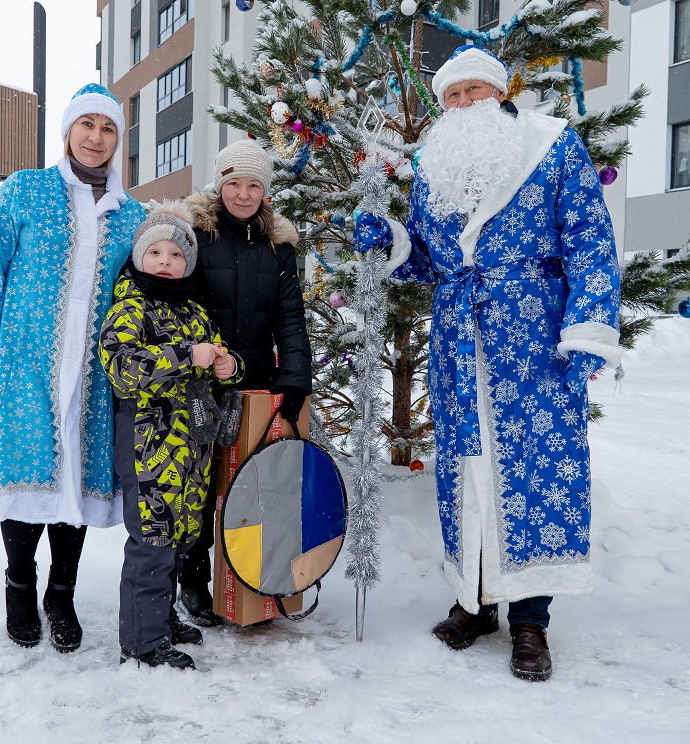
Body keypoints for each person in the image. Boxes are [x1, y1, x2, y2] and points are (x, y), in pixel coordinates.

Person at [354, 46, 624, 681]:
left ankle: (530, 620)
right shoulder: (433, 167)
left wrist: (586, 327)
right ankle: (475, 604)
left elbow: (590, 238)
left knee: (534, 473)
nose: (461, 104)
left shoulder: (552, 146)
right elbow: (427, 258)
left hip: (533, 343)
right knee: (465, 470)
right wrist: (389, 241)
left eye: (473, 92)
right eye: (450, 96)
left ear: (500, 95)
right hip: (458, 342)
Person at [0, 83, 145, 653]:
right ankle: (19, 586)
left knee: (76, 486)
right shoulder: (25, 191)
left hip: (93, 374)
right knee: (28, 476)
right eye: (87, 125)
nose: (97, 138)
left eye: (108, 129)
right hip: (24, 363)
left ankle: (61, 593)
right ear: (67, 132)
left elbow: (143, 289)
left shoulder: (130, 214)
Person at [99, 203, 243, 669]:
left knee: (182, 536)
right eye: (155, 252)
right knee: (153, 541)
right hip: (149, 448)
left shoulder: (195, 310)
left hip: (192, 451)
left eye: (176, 255)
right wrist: (186, 355)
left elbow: (219, 362)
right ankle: (142, 642)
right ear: (140, 258)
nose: (166, 261)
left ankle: (160, 617)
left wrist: (228, 365)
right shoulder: (129, 307)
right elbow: (122, 369)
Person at [177, 140, 313, 626]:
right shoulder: (195, 235)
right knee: (196, 487)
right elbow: (177, 303)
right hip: (198, 382)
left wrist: (295, 378)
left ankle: (255, 577)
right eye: (234, 182)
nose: (243, 193)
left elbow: (290, 317)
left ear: (265, 191)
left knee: (250, 486)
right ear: (219, 184)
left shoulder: (278, 246)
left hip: (253, 385)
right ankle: (192, 582)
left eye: (254, 184)